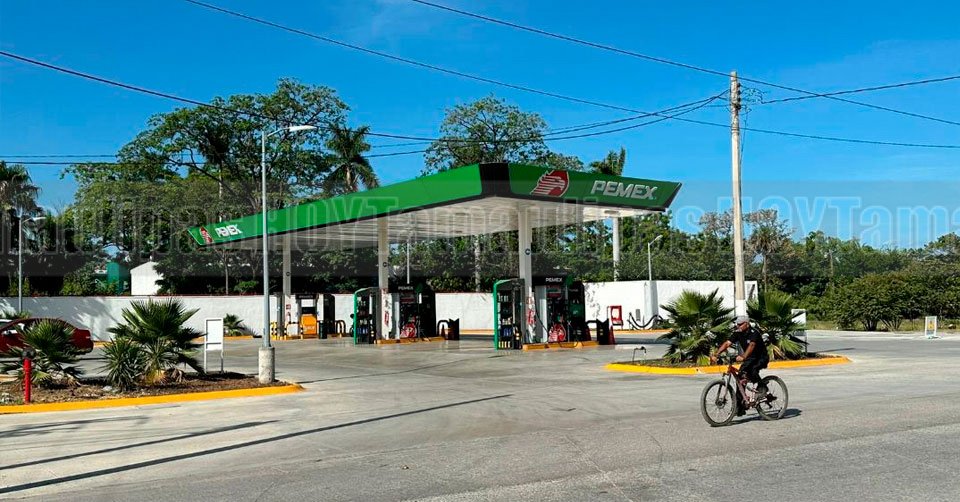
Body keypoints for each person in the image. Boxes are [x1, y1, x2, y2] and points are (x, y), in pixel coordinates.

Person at [711, 315, 769, 415]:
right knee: (740, 379)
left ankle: (763, 387)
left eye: (740, 324)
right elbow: (727, 343)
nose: (738, 326)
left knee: (752, 371)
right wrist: (717, 354)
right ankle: (740, 407)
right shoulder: (737, 333)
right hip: (750, 358)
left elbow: (752, 345)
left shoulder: (754, 332)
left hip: (760, 358)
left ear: (747, 324)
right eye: (737, 324)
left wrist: (743, 356)